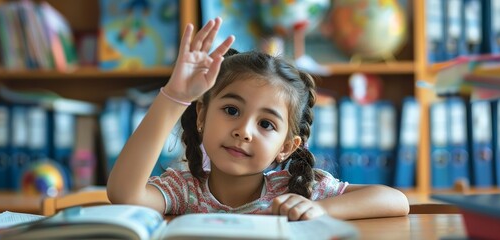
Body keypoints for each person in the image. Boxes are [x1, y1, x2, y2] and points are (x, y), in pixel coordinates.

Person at [107, 17, 410, 221]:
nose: (243, 131)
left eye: (266, 124)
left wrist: (318, 209)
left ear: (286, 147)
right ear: (201, 115)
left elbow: (396, 200)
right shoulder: (187, 190)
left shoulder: (295, 189)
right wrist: (174, 96)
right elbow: (125, 194)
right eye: (231, 110)